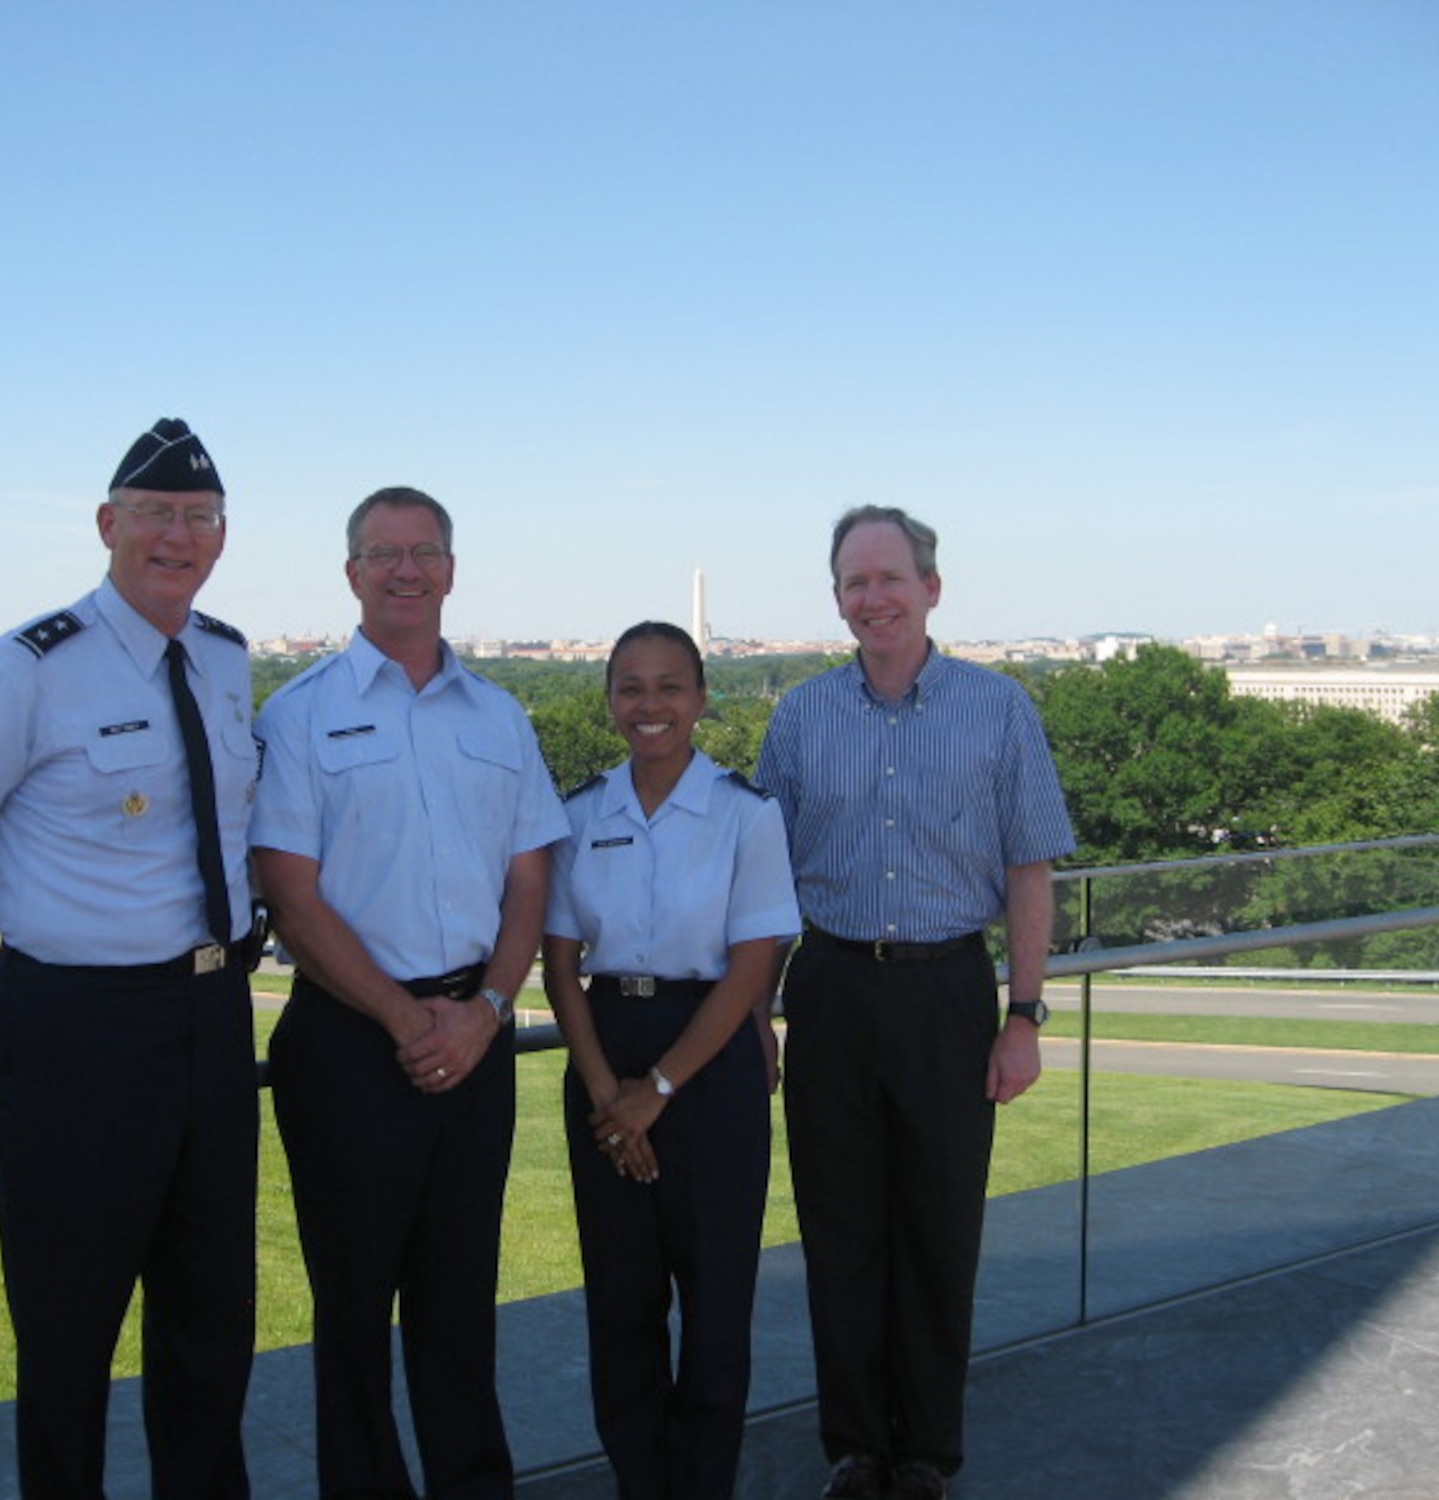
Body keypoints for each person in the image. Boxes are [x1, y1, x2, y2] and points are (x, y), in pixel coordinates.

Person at [0, 418, 265, 1500]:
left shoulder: (223, 657)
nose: (178, 537)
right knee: (70, 1336)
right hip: (73, 1032)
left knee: (212, 1324)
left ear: (221, 536)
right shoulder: (25, 671)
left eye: (199, 519)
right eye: (157, 516)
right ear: (107, 524)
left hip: (211, 1023)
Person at [249, 485, 569, 1500]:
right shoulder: (299, 714)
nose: (404, 570)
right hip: (349, 1044)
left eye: (422, 551)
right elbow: (289, 895)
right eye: (381, 553)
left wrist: (483, 1011)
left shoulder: (500, 714)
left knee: (460, 1299)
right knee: (351, 1311)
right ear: (351, 575)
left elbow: (530, 877)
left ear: (450, 570)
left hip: (475, 1035)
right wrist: (403, 1019)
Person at [755, 506, 1074, 1500]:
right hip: (830, 987)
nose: (872, 598)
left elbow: (1029, 868)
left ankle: (927, 1451)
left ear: (930, 588)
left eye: (889, 578)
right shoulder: (799, 717)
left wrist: (1022, 1014)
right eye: (853, 582)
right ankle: (854, 1447)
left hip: (946, 990)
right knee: (839, 1231)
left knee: (939, 1231)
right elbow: (762, 879)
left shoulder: (998, 709)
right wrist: (757, 1015)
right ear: (836, 599)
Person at [542, 621, 800, 1500]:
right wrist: (611, 1094)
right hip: (603, 1051)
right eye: (630, 688)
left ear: (701, 698)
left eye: (669, 687)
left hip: (711, 1062)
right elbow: (561, 966)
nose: (649, 707)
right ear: (610, 698)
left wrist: (657, 1091)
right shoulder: (577, 815)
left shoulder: (745, 813)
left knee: (717, 1304)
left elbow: (754, 966)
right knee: (621, 1304)